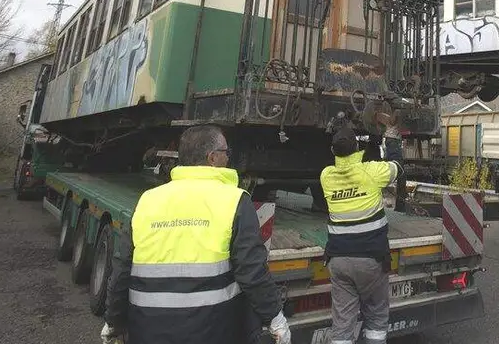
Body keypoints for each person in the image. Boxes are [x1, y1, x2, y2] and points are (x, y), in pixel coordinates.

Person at [100, 124, 291, 344]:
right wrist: (275, 317)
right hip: (212, 331)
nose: (228, 158)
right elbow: (252, 270)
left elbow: (122, 268)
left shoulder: (148, 200)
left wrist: (113, 320)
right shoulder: (234, 200)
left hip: (146, 331)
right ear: (212, 158)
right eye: (226, 153)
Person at [319, 113, 403, 344]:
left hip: (338, 261)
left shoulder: (326, 176)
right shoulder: (372, 172)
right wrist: (392, 136)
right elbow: (397, 166)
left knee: (342, 324)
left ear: (334, 152)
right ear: (357, 148)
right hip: (371, 259)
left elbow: (337, 158)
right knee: (376, 318)